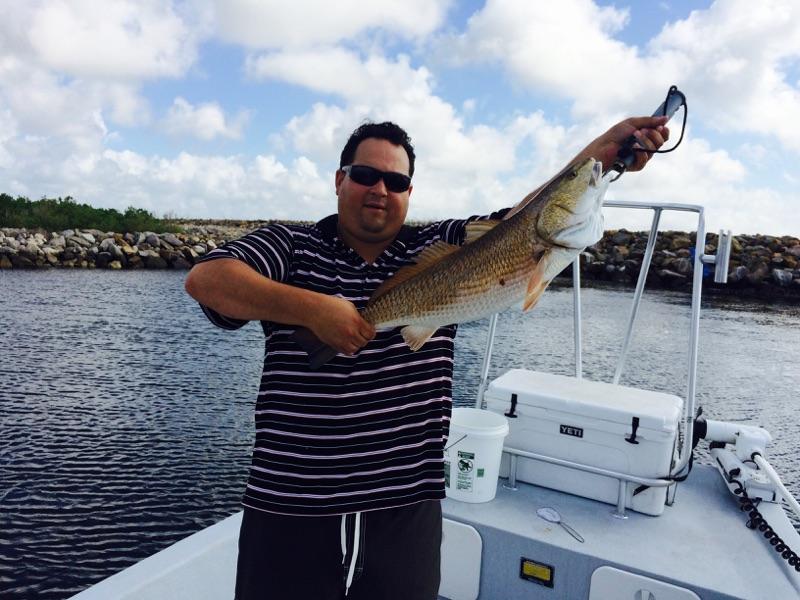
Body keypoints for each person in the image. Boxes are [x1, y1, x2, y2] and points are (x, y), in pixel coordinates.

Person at [184, 116, 669, 600]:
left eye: (395, 181)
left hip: (405, 507)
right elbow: (207, 280)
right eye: (365, 175)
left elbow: (525, 223)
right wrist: (312, 308)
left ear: (409, 192)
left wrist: (605, 151)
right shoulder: (291, 246)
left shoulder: (439, 245)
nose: (380, 189)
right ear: (339, 180)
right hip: (292, 505)